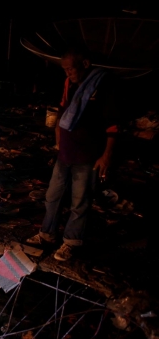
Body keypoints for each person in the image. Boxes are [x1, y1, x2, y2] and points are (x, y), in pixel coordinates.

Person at [26, 45, 121, 262]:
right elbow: (63, 108)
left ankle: (71, 242)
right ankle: (47, 235)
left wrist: (106, 156)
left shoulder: (103, 85)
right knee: (53, 196)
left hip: (88, 156)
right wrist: (58, 134)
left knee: (80, 201)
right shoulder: (70, 83)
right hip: (66, 153)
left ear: (85, 64)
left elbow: (113, 126)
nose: (67, 73)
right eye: (65, 70)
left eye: (70, 69)